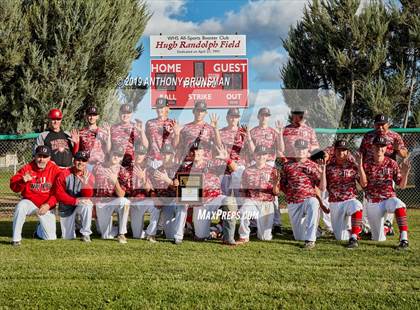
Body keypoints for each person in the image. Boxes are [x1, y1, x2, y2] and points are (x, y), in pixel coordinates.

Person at [175, 143, 237, 245]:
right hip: (199, 204)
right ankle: (216, 230)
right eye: (193, 150)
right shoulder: (186, 169)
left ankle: (228, 238)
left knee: (229, 201)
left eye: (198, 150)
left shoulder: (212, 164)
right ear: (189, 153)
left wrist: (227, 158)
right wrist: (176, 184)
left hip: (215, 198)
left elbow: (234, 169)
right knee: (200, 237)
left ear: (203, 152)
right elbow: (184, 192)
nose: (196, 152)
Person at [359, 113, 409, 236]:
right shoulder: (368, 136)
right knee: (368, 199)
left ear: (388, 124)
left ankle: (388, 224)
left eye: (383, 125)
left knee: (390, 198)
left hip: (388, 172)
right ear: (374, 124)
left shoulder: (394, 136)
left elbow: (404, 154)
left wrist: (398, 149)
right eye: (378, 125)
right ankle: (367, 227)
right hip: (370, 171)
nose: (380, 127)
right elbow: (361, 153)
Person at [363, 136, 410, 249]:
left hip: (388, 198)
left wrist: (405, 172)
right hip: (373, 202)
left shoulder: (391, 163)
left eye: (382, 146)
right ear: (372, 147)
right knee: (378, 239)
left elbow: (402, 185)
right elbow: (363, 185)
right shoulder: (366, 164)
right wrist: (359, 167)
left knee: (398, 204)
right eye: (377, 146)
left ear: (386, 148)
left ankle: (404, 238)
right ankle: (386, 228)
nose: (380, 148)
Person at [279, 139, 327, 249]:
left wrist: (323, 171)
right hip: (293, 202)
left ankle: (310, 240)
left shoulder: (313, 165)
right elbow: (283, 185)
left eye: (303, 148)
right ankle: (317, 231)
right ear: (294, 149)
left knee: (313, 202)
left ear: (307, 150)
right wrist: (290, 195)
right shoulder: (287, 166)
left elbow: (322, 187)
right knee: (298, 237)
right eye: (298, 148)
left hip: (308, 199)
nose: (301, 151)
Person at [319, 140, 367, 248]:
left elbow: (364, 184)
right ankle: (354, 229)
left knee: (357, 206)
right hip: (335, 203)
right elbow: (322, 187)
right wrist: (323, 170)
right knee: (341, 237)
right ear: (334, 151)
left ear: (347, 151)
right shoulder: (329, 165)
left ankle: (354, 236)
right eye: (339, 150)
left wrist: (360, 166)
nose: (341, 152)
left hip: (349, 199)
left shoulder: (353, 165)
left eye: (344, 150)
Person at [10, 145, 61, 245]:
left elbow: (59, 192)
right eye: (39, 156)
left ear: (49, 158)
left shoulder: (55, 170)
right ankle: (16, 239)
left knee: (50, 238)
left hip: (46, 206)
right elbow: (13, 187)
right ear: (35, 156)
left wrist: (48, 205)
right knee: (21, 206)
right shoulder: (27, 168)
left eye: (45, 156)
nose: (41, 159)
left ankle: (38, 231)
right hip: (30, 203)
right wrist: (22, 181)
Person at [250, 107, 284, 235]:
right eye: (262, 115)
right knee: (255, 194)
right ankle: (253, 224)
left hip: (269, 163)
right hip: (256, 163)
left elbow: (281, 148)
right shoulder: (253, 132)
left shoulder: (273, 132)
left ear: (269, 117)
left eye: (267, 115)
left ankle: (276, 224)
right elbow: (250, 150)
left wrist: (280, 133)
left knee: (272, 194)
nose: (265, 117)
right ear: (258, 116)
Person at [238, 145, 279, 243]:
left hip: (267, 203)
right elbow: (243, 190)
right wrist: (244, 205)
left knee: (265, 238)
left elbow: (276, 192)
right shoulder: (247, 170)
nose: (261, 157)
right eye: (259, 154)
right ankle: (244, 236)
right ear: (254, 155)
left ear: (267, 155)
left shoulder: (273, 171)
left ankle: (263, 229)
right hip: (252, 201)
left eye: (264, 154)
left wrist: (275, 184)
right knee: (244, 210)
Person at [92, 146, 131, 243]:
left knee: (124, 202)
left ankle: (121, 233)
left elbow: (121, 194)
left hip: (114, 201)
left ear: (121, 158)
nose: (116, 157)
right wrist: (93, 206)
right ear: (110, 154)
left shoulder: (123, 172)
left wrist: (115, 182)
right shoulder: (98, 167)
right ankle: (115, 229)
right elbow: (92, 187)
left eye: (119, 155)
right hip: (101, 202)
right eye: (114, 154)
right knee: (105, 236)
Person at [54, 151, 95, 242]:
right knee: (67, 237)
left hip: (80, 205)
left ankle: (86, 234)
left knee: (88, 204)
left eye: (83, 160)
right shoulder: (64, 174)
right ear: (74, 160)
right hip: (66, 207)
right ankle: (76, 226)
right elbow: (59, 194)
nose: (80, 162)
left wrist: (85, 184)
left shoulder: (89, 175)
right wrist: (74, 201)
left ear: (86, 163)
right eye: (78, 160)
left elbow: (88, 196)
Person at [219, 108, 254, 200]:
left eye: (236, 117)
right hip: (225, 170)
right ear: (227, 117)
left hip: (239, 169)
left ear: (238, 118)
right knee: (224, 200)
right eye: (231, 116)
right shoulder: (220, 132)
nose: (234, 119)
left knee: (241, 199)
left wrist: (248, 137)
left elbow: (252, 151)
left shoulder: (243, 132)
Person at [129, 144, 159, 242]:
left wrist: (143, 178)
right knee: (136, 236)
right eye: (137, 153)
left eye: (141, 154)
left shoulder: (150, 169)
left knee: (155, 205)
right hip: (133, 202)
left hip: (145, 200)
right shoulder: (129, 169)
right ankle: (141, 232)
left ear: (145, 156)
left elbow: (150, 190)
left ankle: (151, 233)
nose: (138, 156)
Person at [145, 98, 181, 169]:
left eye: (162, 107)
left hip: (167, 160)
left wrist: (177, 134)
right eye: (158, 107)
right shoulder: (149, 123)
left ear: (167, 108)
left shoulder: (173, 123)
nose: (159, 110)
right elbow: (147, 143)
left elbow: (175, 145)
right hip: (153, 160)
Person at [111, 103, 148, 169]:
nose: (125, 115)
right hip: (115, 165)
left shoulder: (136, 127)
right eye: (123, 112)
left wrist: (141, 131)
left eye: (128, 113)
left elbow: (145, 146)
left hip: (130, 164)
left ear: (131, 114)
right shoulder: (113, 128)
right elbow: (108, 148)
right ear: (119, 113)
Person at [78, 106, 111, 170]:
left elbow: (108, 150)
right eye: (90, 115)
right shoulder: (81, 132)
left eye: (94, 115)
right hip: (85, 165)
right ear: (86, 116)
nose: (92, 117)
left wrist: (109, 136)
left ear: (97, 117)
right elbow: (78, 150)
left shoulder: (103, 132)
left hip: (98, 165)